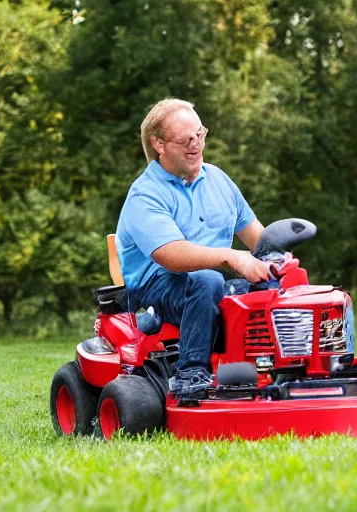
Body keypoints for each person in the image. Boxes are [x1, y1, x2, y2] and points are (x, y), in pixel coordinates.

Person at [115, 98, 272, 396]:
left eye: (200, 134)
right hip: (154, 288)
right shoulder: (146, 195)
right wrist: (231, 257)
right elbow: (173, 257)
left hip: (209, 284)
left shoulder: (219, 181)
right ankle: (190, 375)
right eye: (186, 139)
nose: (196, 144)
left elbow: (258, 239)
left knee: (271, 287)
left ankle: (283, 368)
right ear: (159, 144)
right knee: (207, 279)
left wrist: (278, 262)